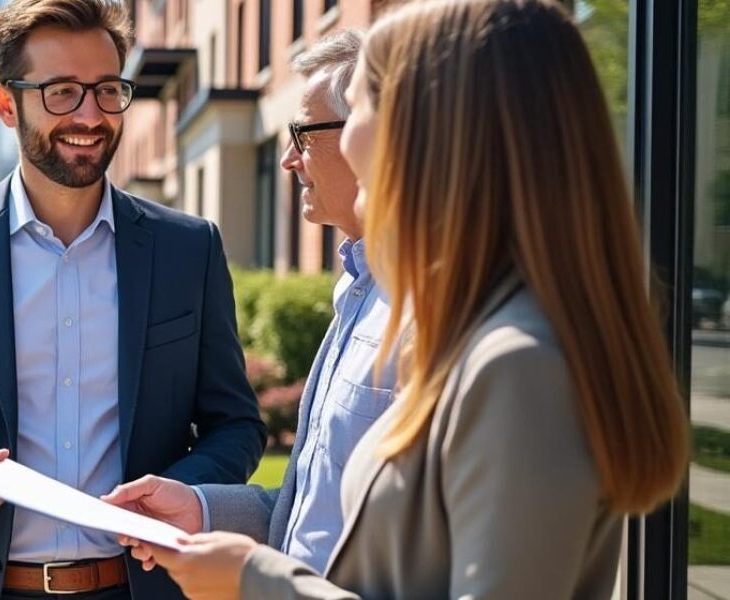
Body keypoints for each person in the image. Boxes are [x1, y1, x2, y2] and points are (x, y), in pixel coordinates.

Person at [118, 1, 689, 598]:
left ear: (434, 134)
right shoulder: (466, 328)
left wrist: (253, 581)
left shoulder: (519, 365)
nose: (304, 155)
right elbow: (368, 531)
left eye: (366, 106)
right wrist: (215, 517)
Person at [0, 1, 265, 598]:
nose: (90, 115)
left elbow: (236, 425)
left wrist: (185, 494)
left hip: (143, 586)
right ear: (6, 104)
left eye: (107, 90)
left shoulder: (188, 249)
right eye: (62, 91)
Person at [102, 30, 393, 576]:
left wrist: (255, 583)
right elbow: (319, 507)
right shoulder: (357, 291)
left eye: (302, 134)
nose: (288, 159)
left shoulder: (431, 313)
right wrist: (203, 508)